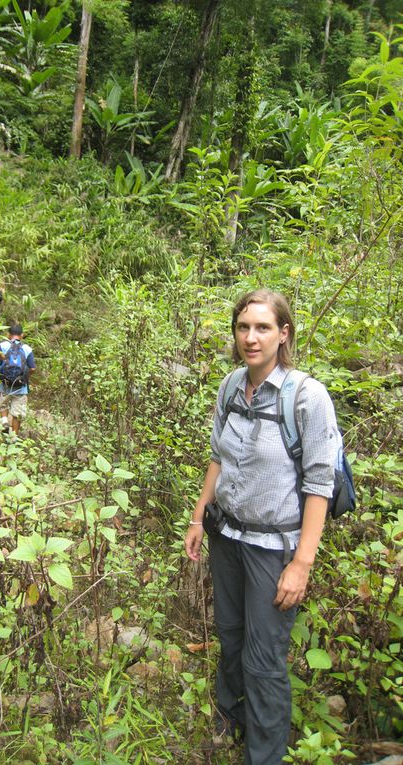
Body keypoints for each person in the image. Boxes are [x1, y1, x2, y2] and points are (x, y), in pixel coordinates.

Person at [184, 289, 340, 765]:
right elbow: (218, 457)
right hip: (226, 537)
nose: (251, 338)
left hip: (275, 549)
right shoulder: (232, 385)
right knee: (229, 635)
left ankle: (264, 754)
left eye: (263, 327)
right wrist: (197, 516)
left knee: (263, 656)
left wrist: (302, 564)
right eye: (243, 327)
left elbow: (320, 485)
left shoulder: (307, 398)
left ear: (284, 333)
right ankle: (229, 718)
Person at [0, 324, 36, 435]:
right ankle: (13, 437)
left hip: (5, 383)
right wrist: (25, 378)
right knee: (17, 414)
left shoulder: (2, 346)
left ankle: (4, 420)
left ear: (8, 335)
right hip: (21, 386)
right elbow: (32, 368)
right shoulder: (27, 349)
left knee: (3, 404)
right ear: (22, 335)